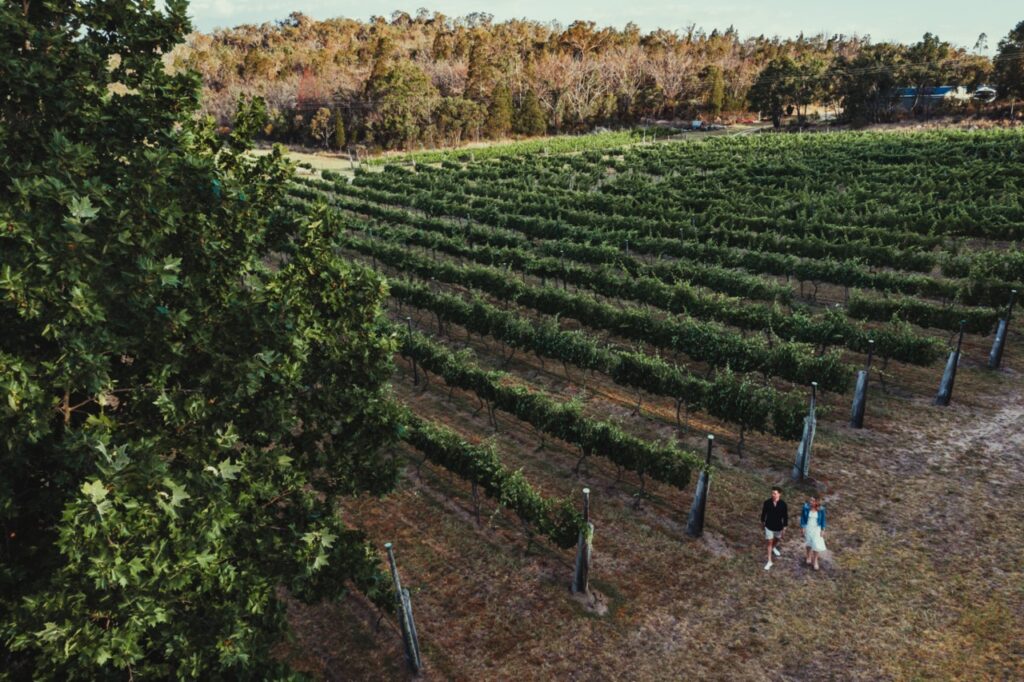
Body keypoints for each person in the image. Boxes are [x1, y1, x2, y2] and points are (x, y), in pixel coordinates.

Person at [760, 486, 788, 570]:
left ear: (779, 494)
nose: (773, 495)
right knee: (769, 541)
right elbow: (764, 513)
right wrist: (762, 522)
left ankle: (773, 547)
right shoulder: (767, 502)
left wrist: (785, 527)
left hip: (778, 527)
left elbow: (785, 516)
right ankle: (769, 561)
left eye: (775, 493)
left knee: (777, 539)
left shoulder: (783, 504)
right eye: (772, 493)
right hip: (769, 526)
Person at [800, 496, 828, 571]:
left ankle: (815, 560)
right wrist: (802, 527)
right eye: (810, 500)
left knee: (816, 544)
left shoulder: (821, 509)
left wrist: (823, 529)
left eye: (812, 501)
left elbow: (823, 520)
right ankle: (808, 556)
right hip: (808, 527)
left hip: (817, 528)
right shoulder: (806, 507)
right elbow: (802, 518)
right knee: (809, 543)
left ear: (816, 502)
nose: (810, 502)